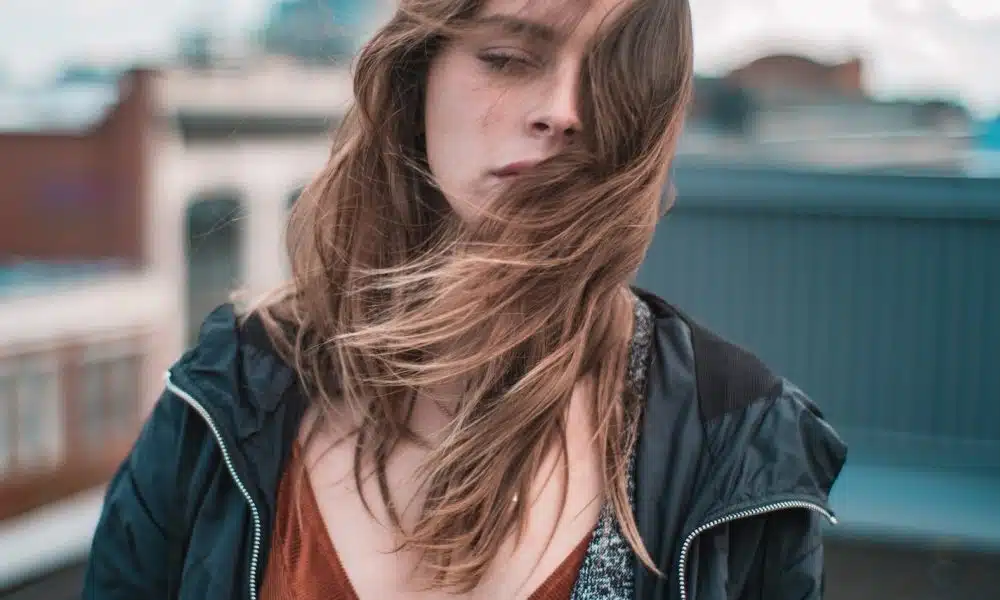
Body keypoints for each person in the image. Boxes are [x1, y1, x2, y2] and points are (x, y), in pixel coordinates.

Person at [83, 0, 847, 598]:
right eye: (508, 57)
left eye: (614, 79)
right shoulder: (227, 392)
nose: (563, 109)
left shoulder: (741, 442)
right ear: (419, 73)